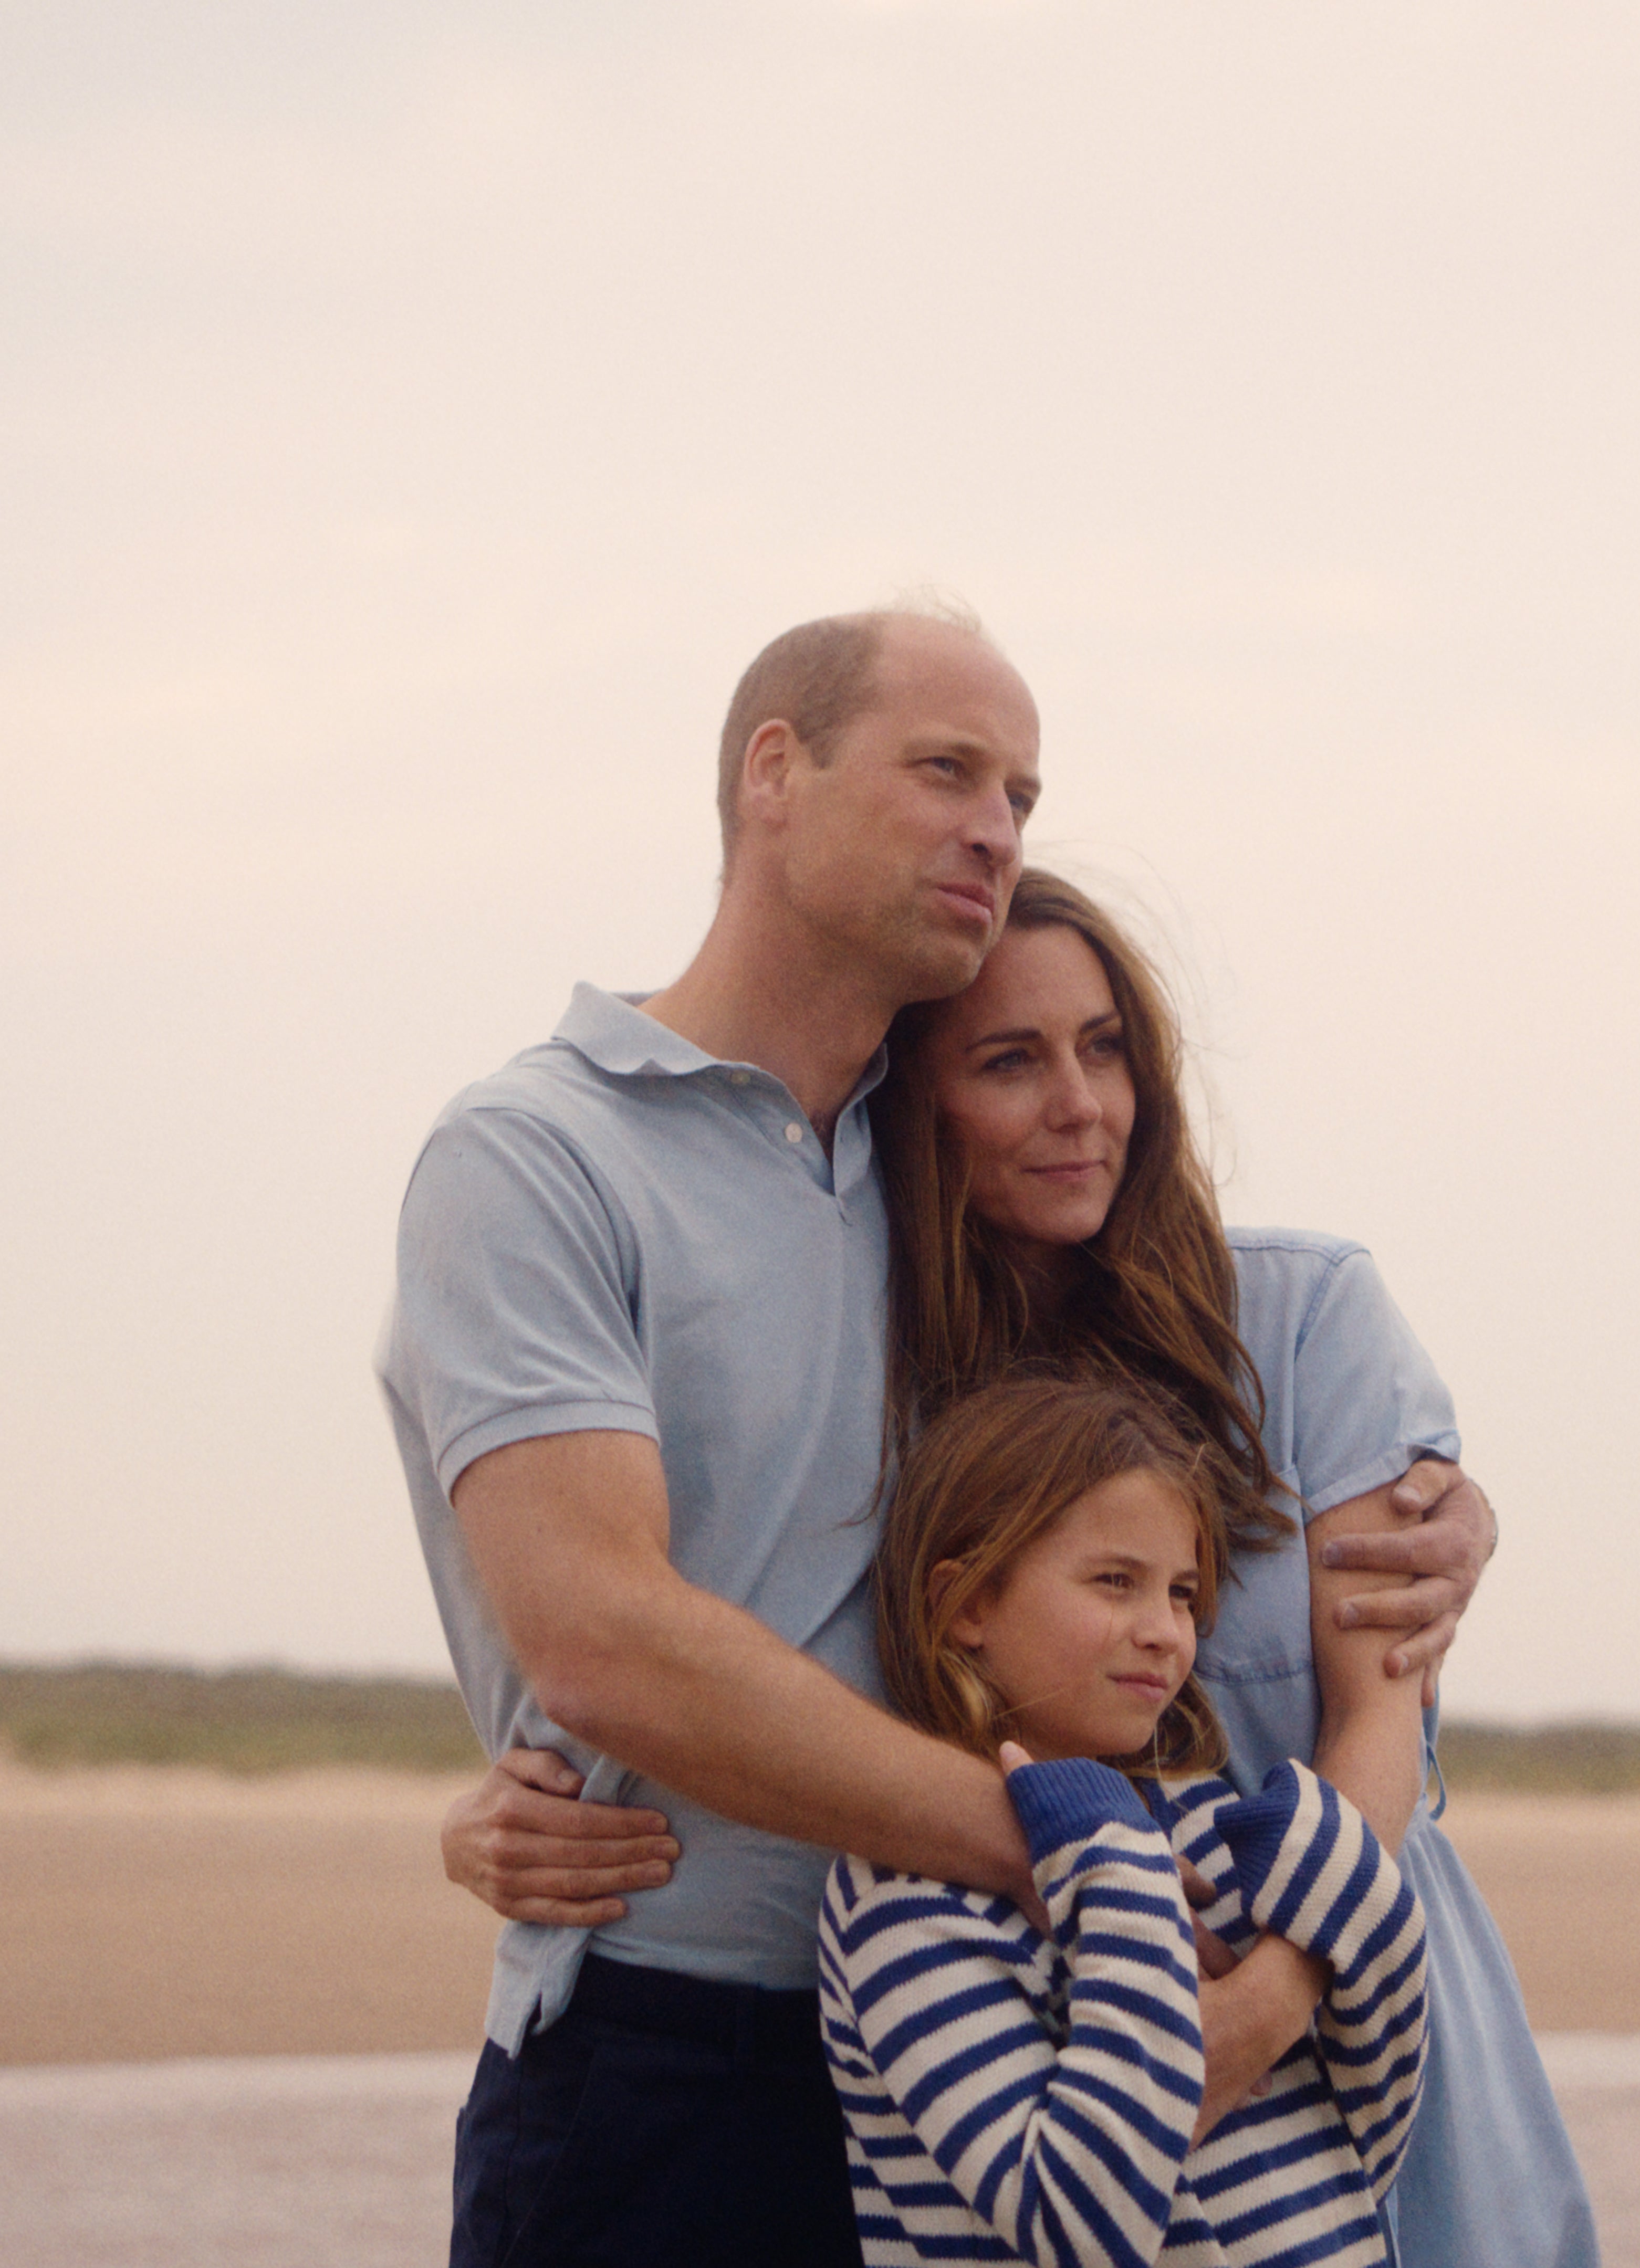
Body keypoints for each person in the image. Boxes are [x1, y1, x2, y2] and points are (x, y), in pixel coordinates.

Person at [381, 606, 1496, 2268]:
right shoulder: (538, 1156)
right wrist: (1065, 1851)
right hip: (675, 2047)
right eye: (948, 770)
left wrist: (1448, 1504)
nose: (997, 825)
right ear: (777, 771)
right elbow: (603, 1640)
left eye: (1024, 796)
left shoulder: (939, 1209)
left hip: (969, 2063)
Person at [820, 1370, 1425, 2268]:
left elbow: (1369, 2127)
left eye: (1182, 1594)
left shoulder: (1208, 1819)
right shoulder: (901, 1896)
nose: (1165, 1631)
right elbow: (1078, 2224)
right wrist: (1112, 1861)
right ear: (968, 1604)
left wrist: (1347, 1881)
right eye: (1116, 1582)